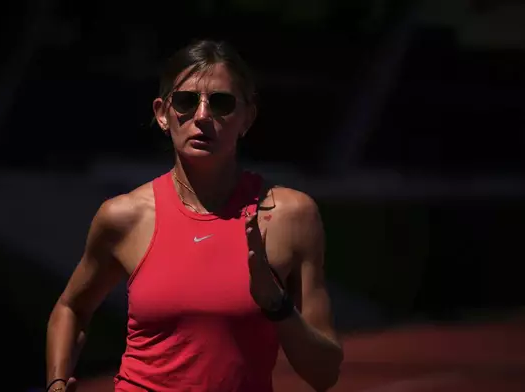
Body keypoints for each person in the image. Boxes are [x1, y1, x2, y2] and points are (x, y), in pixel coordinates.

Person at [45, 39, 343, 392]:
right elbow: (71, 308)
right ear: (162, 113)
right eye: (186, 101)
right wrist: (57, 382)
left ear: (247, 117)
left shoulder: (291, 216)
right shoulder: (123, 216)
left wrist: (276, 305)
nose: (202, 116)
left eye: (221, 103)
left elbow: (325, 374)